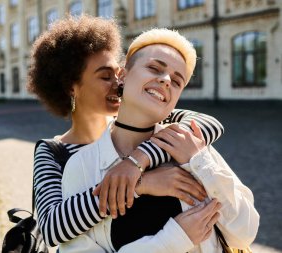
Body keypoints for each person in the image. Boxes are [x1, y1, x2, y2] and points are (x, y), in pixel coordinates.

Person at [28, 15, 224, 248]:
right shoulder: (53, 152)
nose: (117, 83)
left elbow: (209, 124)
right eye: (104, 76)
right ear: (72, 86)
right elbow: (52, 228)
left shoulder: (151, 121)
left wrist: (137, 160)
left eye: (118, 73)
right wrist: (139, 184)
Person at [61, 28, 259, 252]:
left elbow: (244, 233)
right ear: (123, 76)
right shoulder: (82, 166)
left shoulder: (192, 148)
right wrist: (175, 238)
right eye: (154, 68)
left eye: (177, 81)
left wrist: (200, 162)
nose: (166, 81)